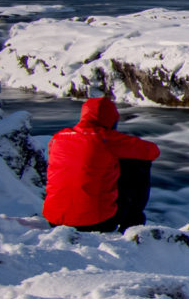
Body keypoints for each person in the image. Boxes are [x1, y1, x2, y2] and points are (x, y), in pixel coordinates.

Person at [43, 96, 160, 232]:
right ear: (111, 119)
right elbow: (152, 151)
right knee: (138, 162)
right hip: (96, 223)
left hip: (54, 220)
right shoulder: (107, 139)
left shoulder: (58, 137)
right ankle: (133, 224)